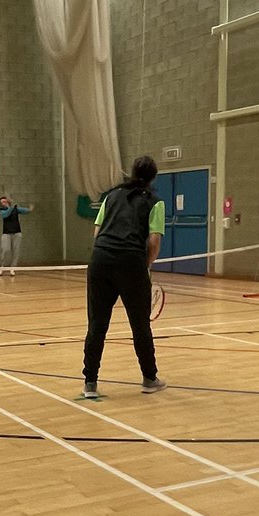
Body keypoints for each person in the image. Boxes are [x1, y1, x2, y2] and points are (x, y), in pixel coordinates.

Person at [81, 156, 166, 397]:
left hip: (100, 259)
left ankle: (90, 383)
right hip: (131, 262)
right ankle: (149, 379)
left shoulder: (111, 196)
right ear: (153, 177)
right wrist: (144, 265)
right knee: (140, 325)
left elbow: (97, 233)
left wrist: (106, 255)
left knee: (97, 324)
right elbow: (154, 240)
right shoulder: (155, 202)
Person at [0, 196, 34, 276]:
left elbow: (24, 210)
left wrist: (30, 209)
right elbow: (5, 215)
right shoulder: (2, 211)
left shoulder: (15, 209)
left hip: (17, 233)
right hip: (6, 233)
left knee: (16, 251)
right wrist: (10, 207)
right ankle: (3, 266)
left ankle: (12, 268)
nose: (4, 202)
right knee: (6, 250)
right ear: (1, 204)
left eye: (5, 201)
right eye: (2, 202)